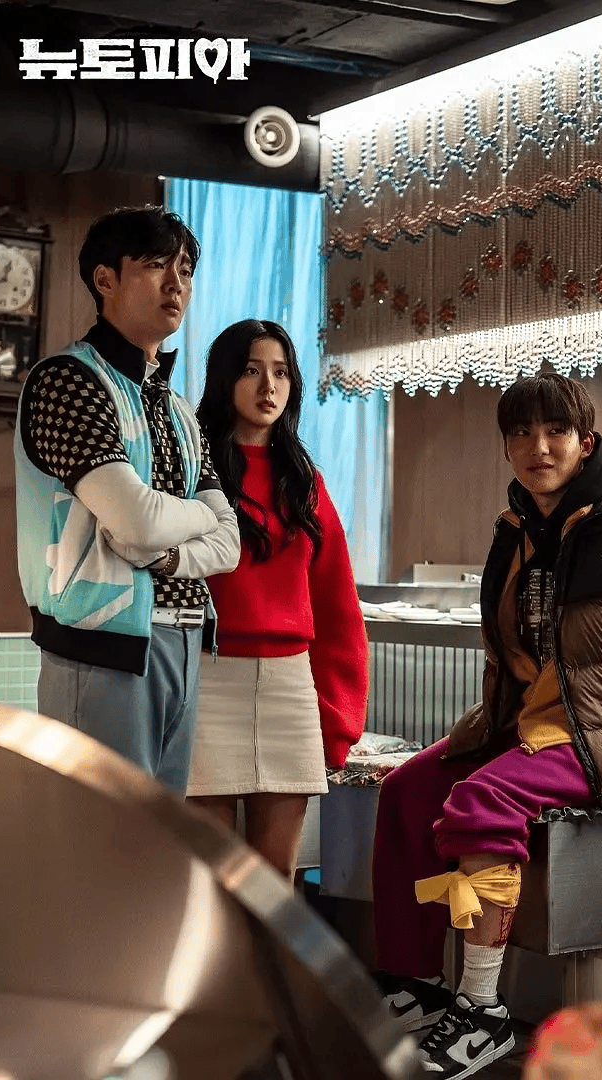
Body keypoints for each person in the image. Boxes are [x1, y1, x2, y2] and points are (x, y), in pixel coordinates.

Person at [372, 372, 602, 1079]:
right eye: (522, 433)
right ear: (506, 447)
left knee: (483, 799)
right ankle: (416, 983)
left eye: (557, 431)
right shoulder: (515, 533)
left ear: (585, 442)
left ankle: (483, 1011)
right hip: (538, 726)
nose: (539, 447)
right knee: (408, 789)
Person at [14, 205, 240, 795]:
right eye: (156, 265)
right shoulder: (68, 380)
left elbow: (229, 542)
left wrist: (171, 553)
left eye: (185, 271)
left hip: (185, 638)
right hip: (101, 646)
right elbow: (137, 522)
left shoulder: (176, 405)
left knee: (159, 840)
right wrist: (195, 516)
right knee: (100, 836)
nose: (176, 284)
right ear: (105, 279)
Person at [187, 319, 369, 879]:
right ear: (224, 379)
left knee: (274, 881)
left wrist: (338, 722)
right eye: (251, 370)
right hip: (208, 679)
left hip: (290, 688)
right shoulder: (192, 471)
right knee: (210, 881)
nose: (269, 386)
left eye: (281, 372)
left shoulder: (305, 481)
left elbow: (339, 608)